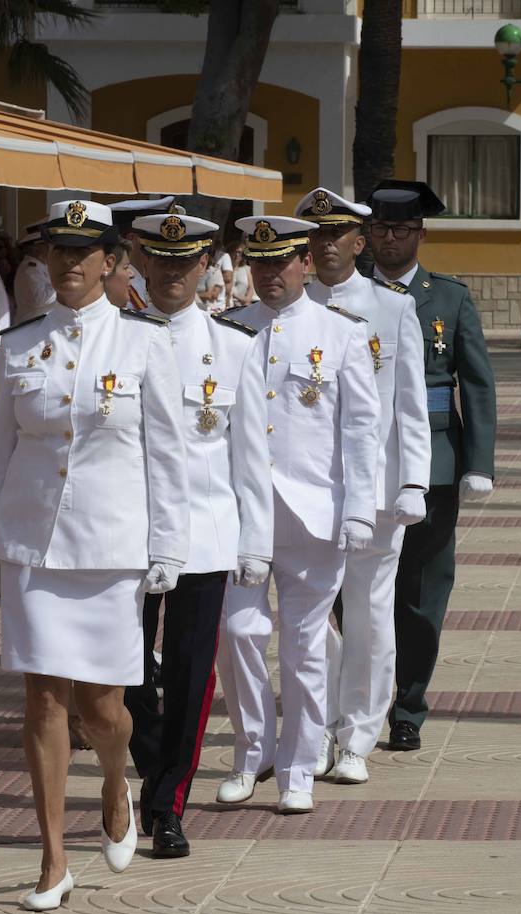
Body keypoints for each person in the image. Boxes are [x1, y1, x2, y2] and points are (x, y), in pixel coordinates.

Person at [0, 199, 189, 910]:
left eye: (84, 250)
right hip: (34, 543)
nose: (68, 262)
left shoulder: (145, 342)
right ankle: (53, 859)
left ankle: (112, 778)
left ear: (112, 262)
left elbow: (166, 454)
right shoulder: (17, 346)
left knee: (103, 711)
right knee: (42, 700)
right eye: (56, 250)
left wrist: (170, 545)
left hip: (111, 544)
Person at [214, 215, 381, 815]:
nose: (269, 276)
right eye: (259, 265)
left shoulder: (340, 334)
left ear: (305, 263)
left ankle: (300, 766)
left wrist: (361, 506)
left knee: (306, 647)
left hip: (314, 514)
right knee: (236, 633)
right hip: (239, 516)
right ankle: (252, 749)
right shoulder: (230, 330)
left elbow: (361, 429)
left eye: (281, 263)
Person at [122, 212, 272, 858]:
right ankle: (153, 759)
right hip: (124, 533)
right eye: (160, 260)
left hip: (206, 535)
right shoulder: (116, 344)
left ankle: (168, 802)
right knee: (123, 673)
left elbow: (249, 457)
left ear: (207, 264)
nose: (173, 273)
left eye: (186, 263)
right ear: (140, 261)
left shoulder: (234, 348)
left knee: (188, 675)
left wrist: (254, 543)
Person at [295, 188, 431, 785]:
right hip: (304, 489)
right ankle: (320, 724)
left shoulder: (391, 306)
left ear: (361, 241)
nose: (327, 245)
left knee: (372, 615)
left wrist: (413, 482)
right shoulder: (286, 309)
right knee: (310, 616)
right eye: (316, 235)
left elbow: (410, 403)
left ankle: (360, 736)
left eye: (338, 235)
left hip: (373, 488)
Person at [366, 180, 497, 752]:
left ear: (421, 234)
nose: (389, 239)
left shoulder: (447, 298)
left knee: (421, 595)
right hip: (364, 461)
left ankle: (408, 706)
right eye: (379, 229)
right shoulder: (345, 295)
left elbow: (477, 383)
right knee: (356, 596)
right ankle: (363, 696)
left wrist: (478, 462)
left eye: (401, 230)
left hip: (436, 464)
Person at [108, 197, 174, 313]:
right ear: (131, 238)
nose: (163, 245)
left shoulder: (143, 281)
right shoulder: (121, 289)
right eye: (153, 238)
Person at [12, 219, 57, 326]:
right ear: (37, 249)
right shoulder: (29, 269)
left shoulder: (42, 267)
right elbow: (40, 299)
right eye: (47, 245)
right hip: (31, 328)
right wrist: (62, 285)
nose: (52, 249)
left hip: (41, 326)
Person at [228, 240, 255, 306]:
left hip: (243, 304)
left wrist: (247, 300)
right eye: (235, 252)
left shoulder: (247, 269)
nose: (237, 255)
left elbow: (251, 288)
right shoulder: (226, 269)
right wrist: (239, 298)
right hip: (228, 303)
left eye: (239, 252)